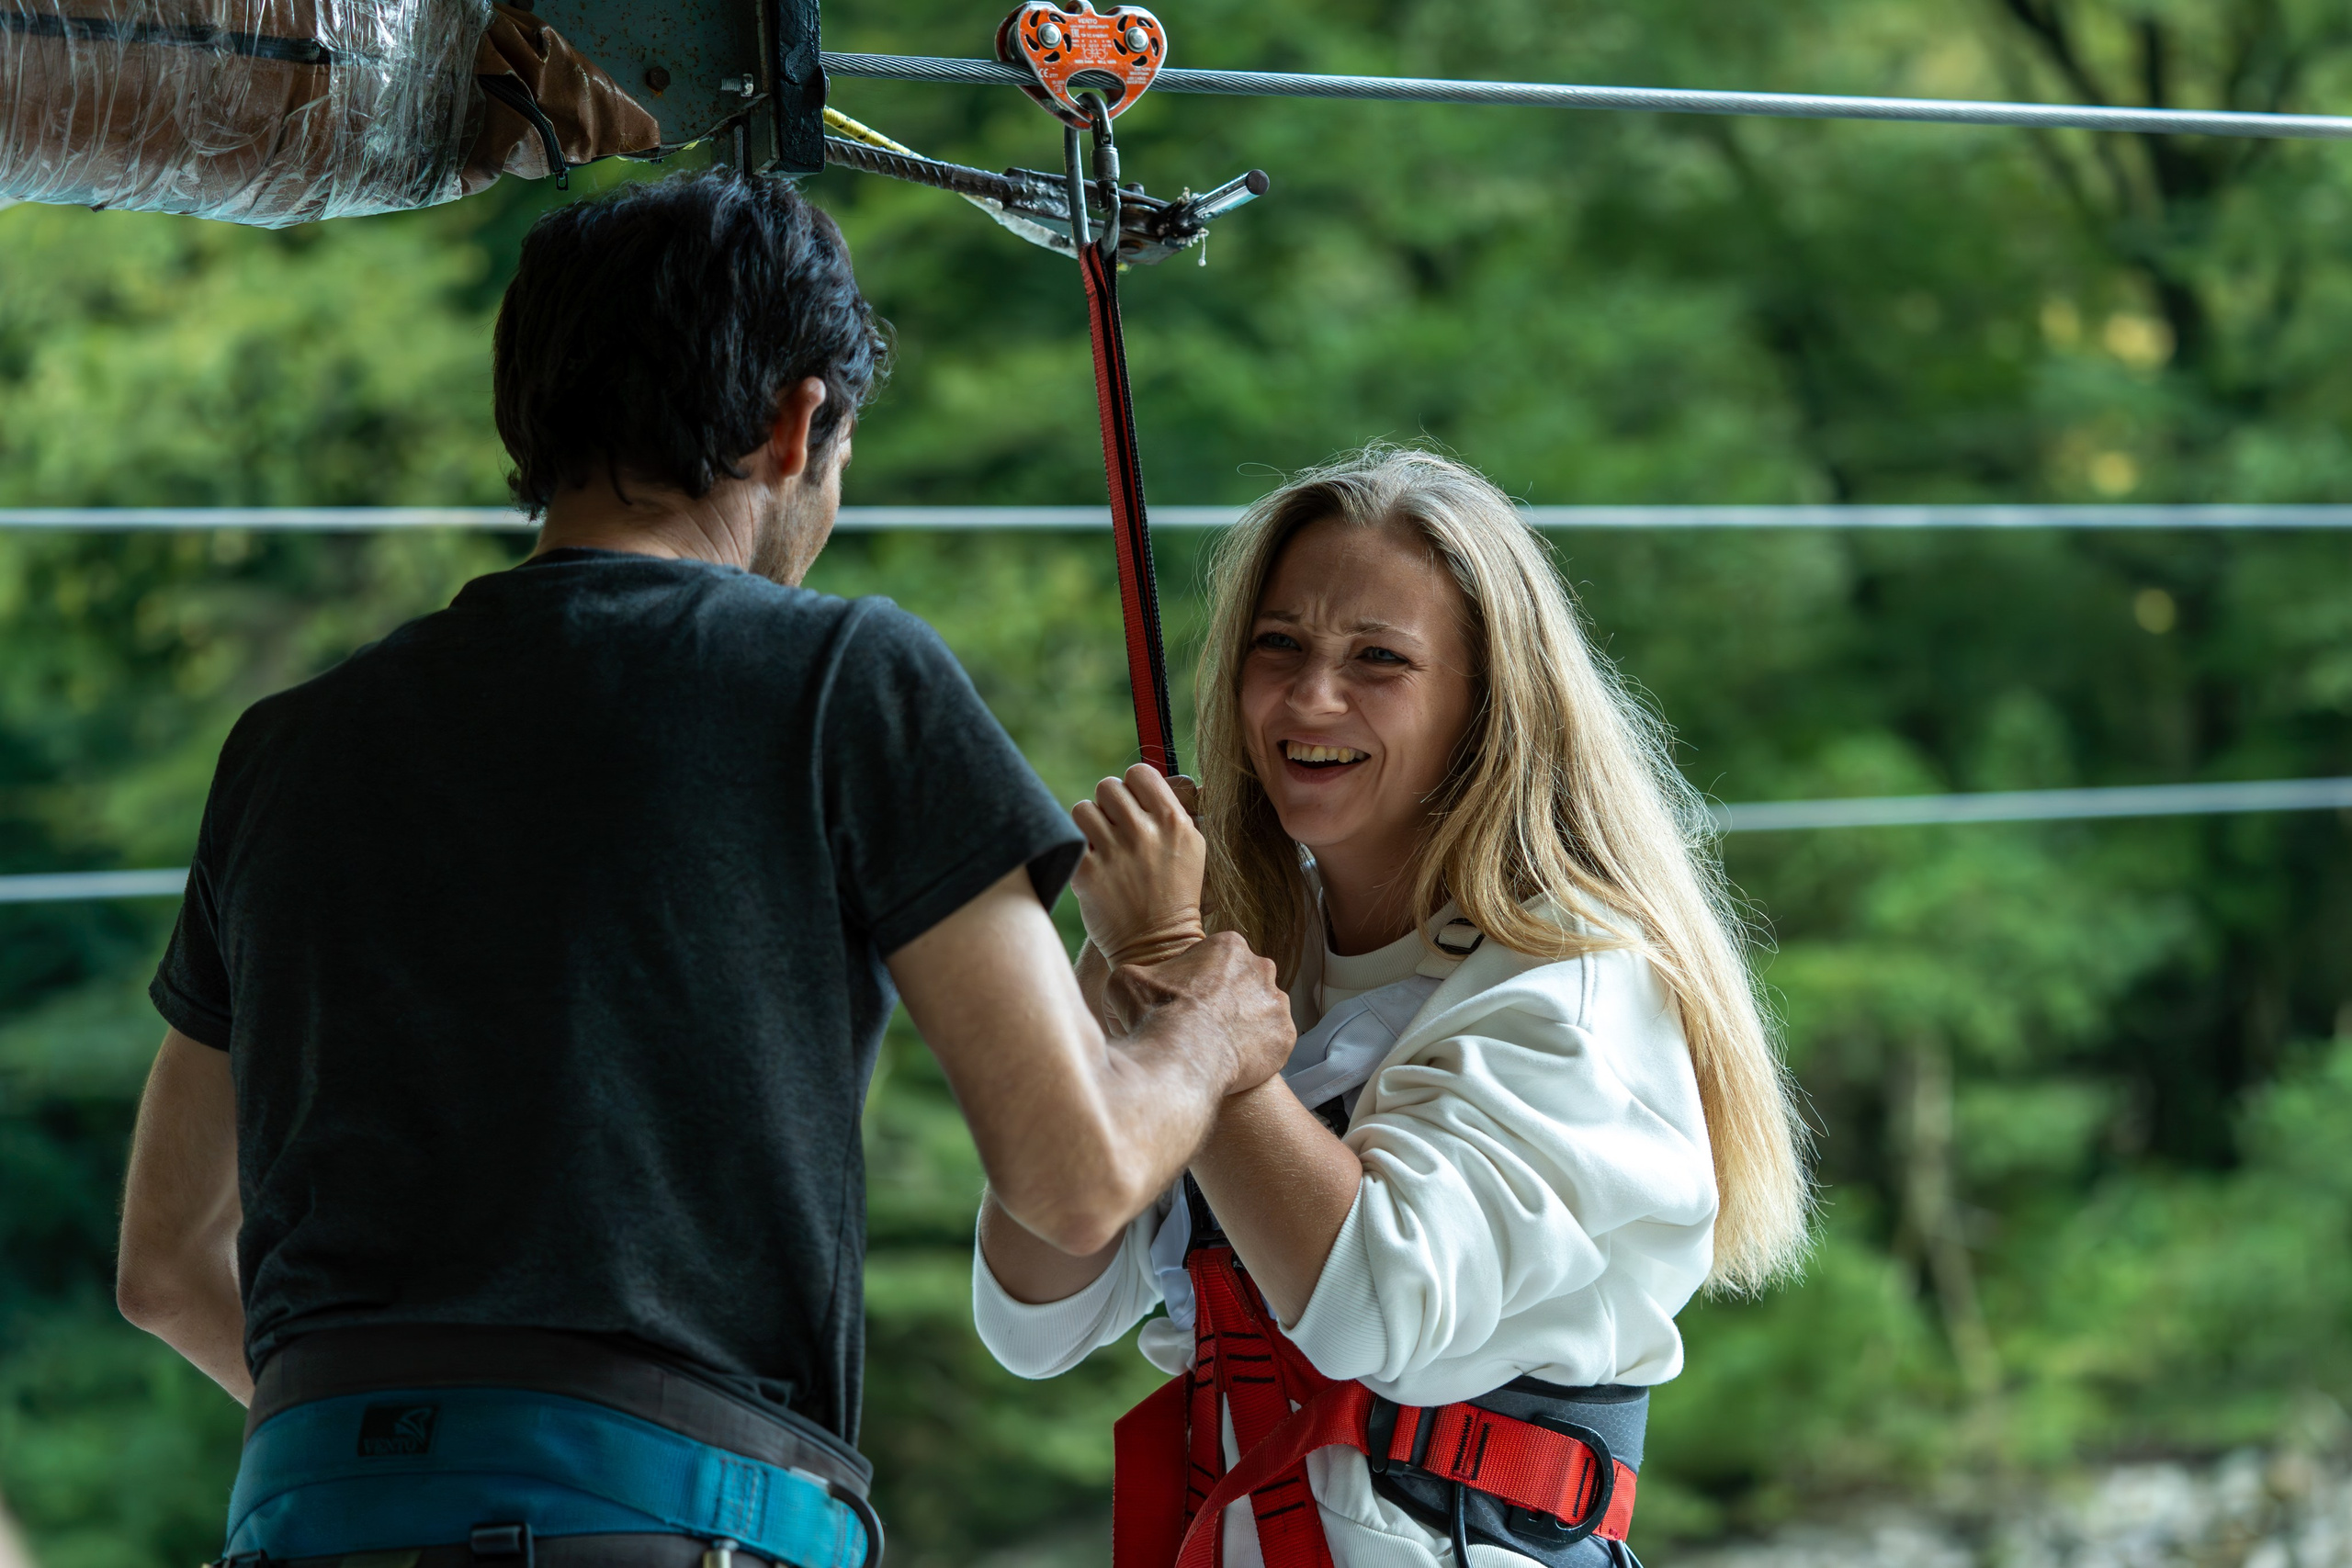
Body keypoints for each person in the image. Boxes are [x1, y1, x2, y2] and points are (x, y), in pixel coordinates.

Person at [112, 171, 1295, 1568]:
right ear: (796, 426)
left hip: (306, 1510)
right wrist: (1207, 1031)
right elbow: (1076, 1177)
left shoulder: (287, 745)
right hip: (673, 1514)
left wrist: (414, 1452)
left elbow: (166, 1266)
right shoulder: (842, 676)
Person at [975, 448, 1813, 1568]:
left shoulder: (1569, 982)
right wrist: (1124, 956)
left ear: (1486, 706)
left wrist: (1178, 974)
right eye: (1279, 645)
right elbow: (1033, 1314)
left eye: (1379, 659)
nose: (1310, 698)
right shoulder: (1251, 962)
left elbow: (1374, 1311)